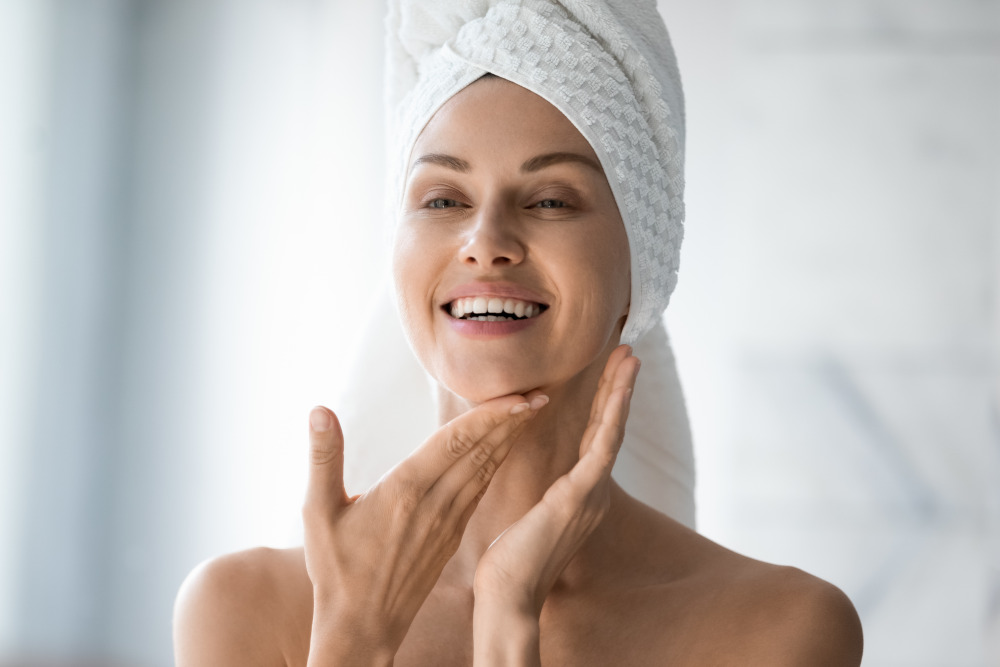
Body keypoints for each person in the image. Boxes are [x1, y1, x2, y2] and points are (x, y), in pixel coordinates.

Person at [174, 1, 863, 664]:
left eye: (551, 200)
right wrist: (354, 636)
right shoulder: (241, 607)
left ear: (641, 267)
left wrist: (507, 616)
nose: (486, 241)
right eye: (443, 198)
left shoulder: (779, 627)